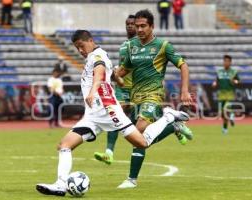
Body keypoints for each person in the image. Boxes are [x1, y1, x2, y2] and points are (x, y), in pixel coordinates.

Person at [35, 29, 189, 196]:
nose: (80, 50)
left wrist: (94, 89)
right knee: (64, 145)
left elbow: (100, 73)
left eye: (81, 45)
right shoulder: (97, 56)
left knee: (142, 143)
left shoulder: (97, 56)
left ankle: (169, 117)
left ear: (90, 40)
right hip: (93, 116)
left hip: (109, 111)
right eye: (77, 47)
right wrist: (118, 80)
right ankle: (60, 184)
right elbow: (111, 75)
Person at [114, 9, 193, 189]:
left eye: (143, 26)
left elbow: (183, 65)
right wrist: (112, 75)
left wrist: (185, 90)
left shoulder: (163, 46)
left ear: (152, 27)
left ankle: (131, 180)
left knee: (139, 132)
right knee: (138, 139)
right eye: (137, 26)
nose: (139, 29)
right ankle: (172, 126)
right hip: (136, 98)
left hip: (154, 94)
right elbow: (123, 73)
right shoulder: (132, 46)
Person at [93, 15, 137, 165]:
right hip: (123, 88)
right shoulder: (124, 45)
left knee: (142, 125)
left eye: (133, 24)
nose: (130, 26)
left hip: (139, 88)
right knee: (115, 116)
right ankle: (109, 153)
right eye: (127, 24)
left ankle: (172, 125)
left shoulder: (143, 44)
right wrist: (116, 76)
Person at [212, 55, 239, 134]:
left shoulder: (233, 72)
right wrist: (214, 83)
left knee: (226, 108)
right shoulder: (219, 72)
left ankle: (231, 116)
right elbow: (216, 81)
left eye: (227, 61)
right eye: (225, 61)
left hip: (229, 93)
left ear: (230, 62)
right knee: (223, 114)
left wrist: (235, 81)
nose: (226, 63)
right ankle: (225, 129)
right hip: (221, 94)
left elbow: (238, 81)